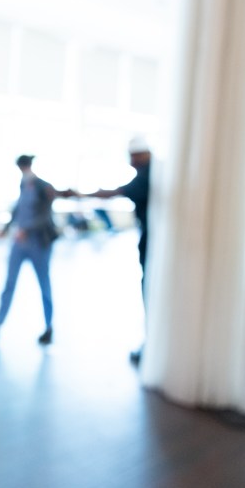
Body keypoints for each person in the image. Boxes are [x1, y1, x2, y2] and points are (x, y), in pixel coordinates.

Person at [0, 154, 67, 345]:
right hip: (20, 243)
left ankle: (48, 327)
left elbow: (46, 215)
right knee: (9, 283)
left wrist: (26, 229)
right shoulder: (23, 185)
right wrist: (6, 229)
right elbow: (18, 208)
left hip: (38, 242)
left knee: (44, 285)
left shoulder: (43, 186)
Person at [83, 136, 152, 363]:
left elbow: (120, 191)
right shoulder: (148, 173)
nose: (131, 162)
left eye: (134, 156)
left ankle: (150, 343)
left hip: (151, 241)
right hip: (148, 238)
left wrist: (83, 193)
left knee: (149, 290)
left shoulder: (146, 175)